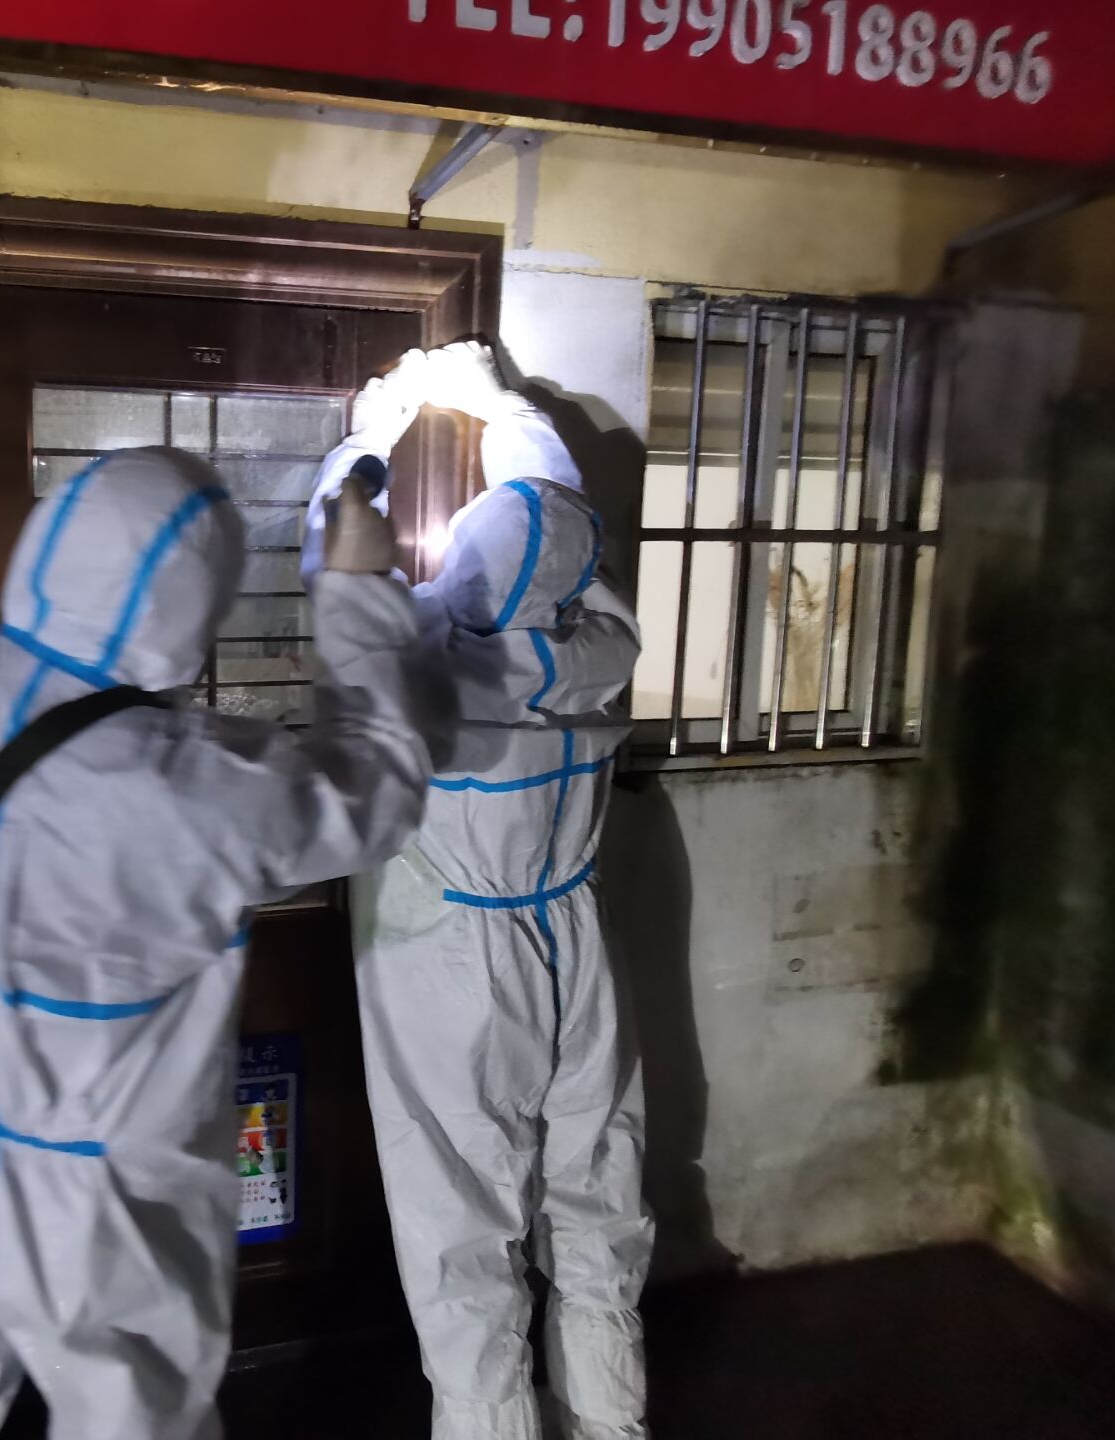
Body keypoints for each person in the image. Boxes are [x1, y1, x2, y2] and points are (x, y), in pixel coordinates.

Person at [0, 432, 431, 1440]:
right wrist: (358, 590)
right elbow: (379, 789)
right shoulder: (197, 786)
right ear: (195, 604)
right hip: (105, 1204)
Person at [305, 343, 651, 1440]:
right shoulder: (604, 653)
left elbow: (338, 569)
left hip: (451, 962)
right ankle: (611, 1424)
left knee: (460, 1229)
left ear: (461, 562)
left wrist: (368, 437)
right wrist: (505, 410)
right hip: (577, 946)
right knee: (599, 1203)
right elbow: (558, 529)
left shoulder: (417, 666)